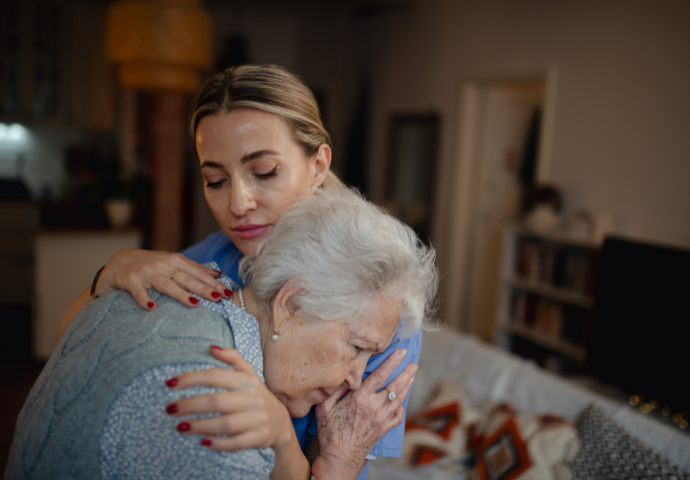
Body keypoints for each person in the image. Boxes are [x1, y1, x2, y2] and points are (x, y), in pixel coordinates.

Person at [53, 64, 426, 479]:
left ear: (318, 165)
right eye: (216, 179)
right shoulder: (208, 259)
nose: (238, 203)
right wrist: (107, 276)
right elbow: (70, 351)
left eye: (264, 173)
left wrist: (283, 435)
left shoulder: (378, 306)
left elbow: (335, 470)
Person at [7, 187, 438, 480]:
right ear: (291, 304)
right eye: (358, 347)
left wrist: (287, 443)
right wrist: (337, 466)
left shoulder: (169, 291)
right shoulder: (219, 407)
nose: (355, 378)